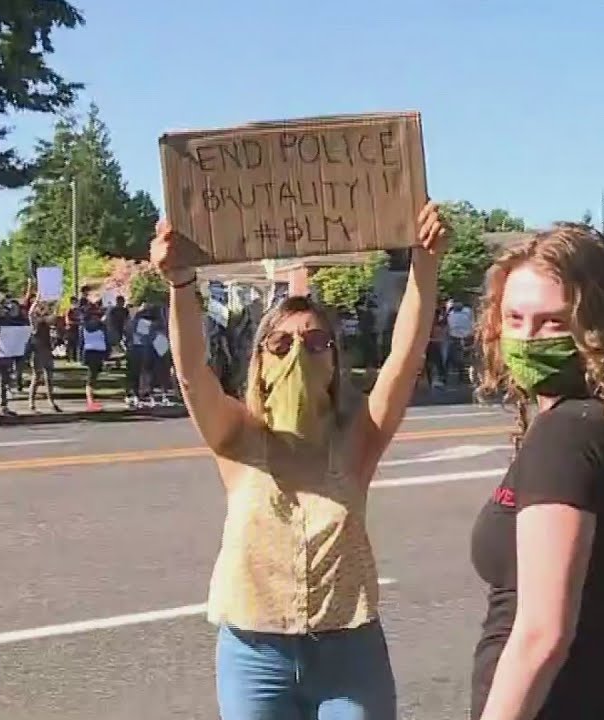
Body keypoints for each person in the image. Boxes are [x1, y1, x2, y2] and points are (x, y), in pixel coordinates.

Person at [151, 202, 448, 720]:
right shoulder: (237, 438)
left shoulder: (359, 439)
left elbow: (405, 355)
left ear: (335, 360)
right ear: (259, 363)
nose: (298, 355)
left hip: (349, 655)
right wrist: (180, 285)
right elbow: (192, 373)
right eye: (281, 344)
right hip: (253, 656)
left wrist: (425, 263)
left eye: (316, 343)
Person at [468, 223, 604, 720]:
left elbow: (542, 633)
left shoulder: (566, 434)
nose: (527, 338)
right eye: (514, 318)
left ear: (598, 327)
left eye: (553, 323)